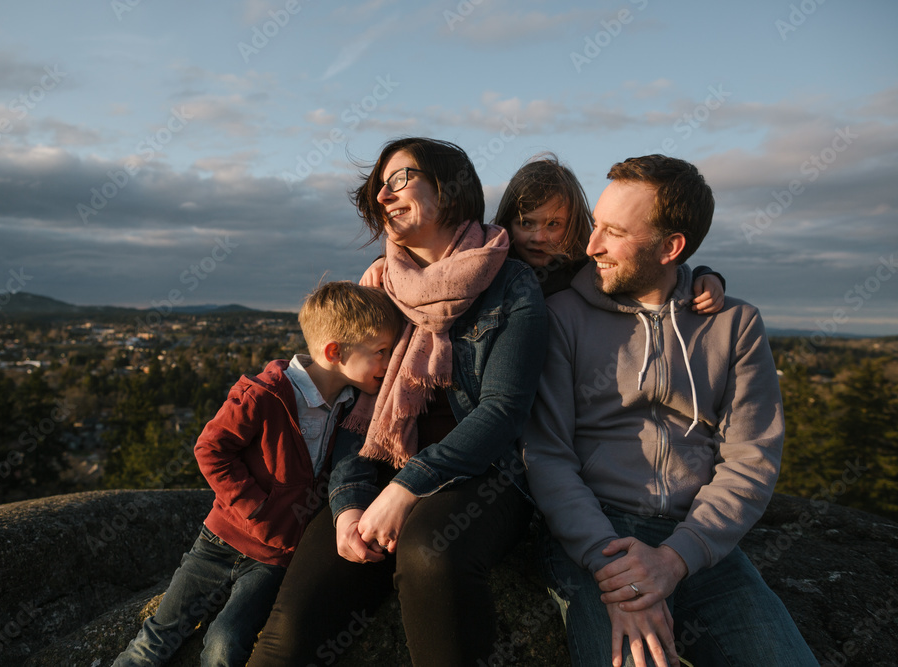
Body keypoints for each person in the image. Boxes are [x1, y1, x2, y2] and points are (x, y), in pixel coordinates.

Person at [247, 137, 548, 666]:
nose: (383, 195)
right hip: (377, 466)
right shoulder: (377, 288)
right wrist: (346, 504)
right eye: (378, 187)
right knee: (287, 636)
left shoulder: (511, 283)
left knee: (431, 555)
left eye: (400, 179)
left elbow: (502, 410)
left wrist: (409, 487)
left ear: (452, 187)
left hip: (483, 474)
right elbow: (354, 411)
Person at [522, 154, 818, 667]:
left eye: (613, 232)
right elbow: (547, 454)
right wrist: (615, 566)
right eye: (596, 226)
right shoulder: (561, 317)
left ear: (671, 247)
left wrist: (676, 558)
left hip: (701, 539)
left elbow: (751, 458)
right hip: (597, 534)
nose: (591, 246)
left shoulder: (735, 324)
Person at [112, 281, 404, 667]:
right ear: (335, 352)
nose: (389, 363)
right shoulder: (264, 394)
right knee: (159, 636)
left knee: (225, 642)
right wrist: (255, 508)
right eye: (382, 352)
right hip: (220, 540)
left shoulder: (354, 408)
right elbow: (211, 449)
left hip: (273, 560)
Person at [363, 152, 726, 310]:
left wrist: (702, 276)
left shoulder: (586, 271)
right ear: (507, 221)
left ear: (575, 225)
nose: (538, 236)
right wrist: (388, 262)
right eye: (526, 223)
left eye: (554, 224)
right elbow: (440, 261)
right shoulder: (485, 263)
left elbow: (644, 269)